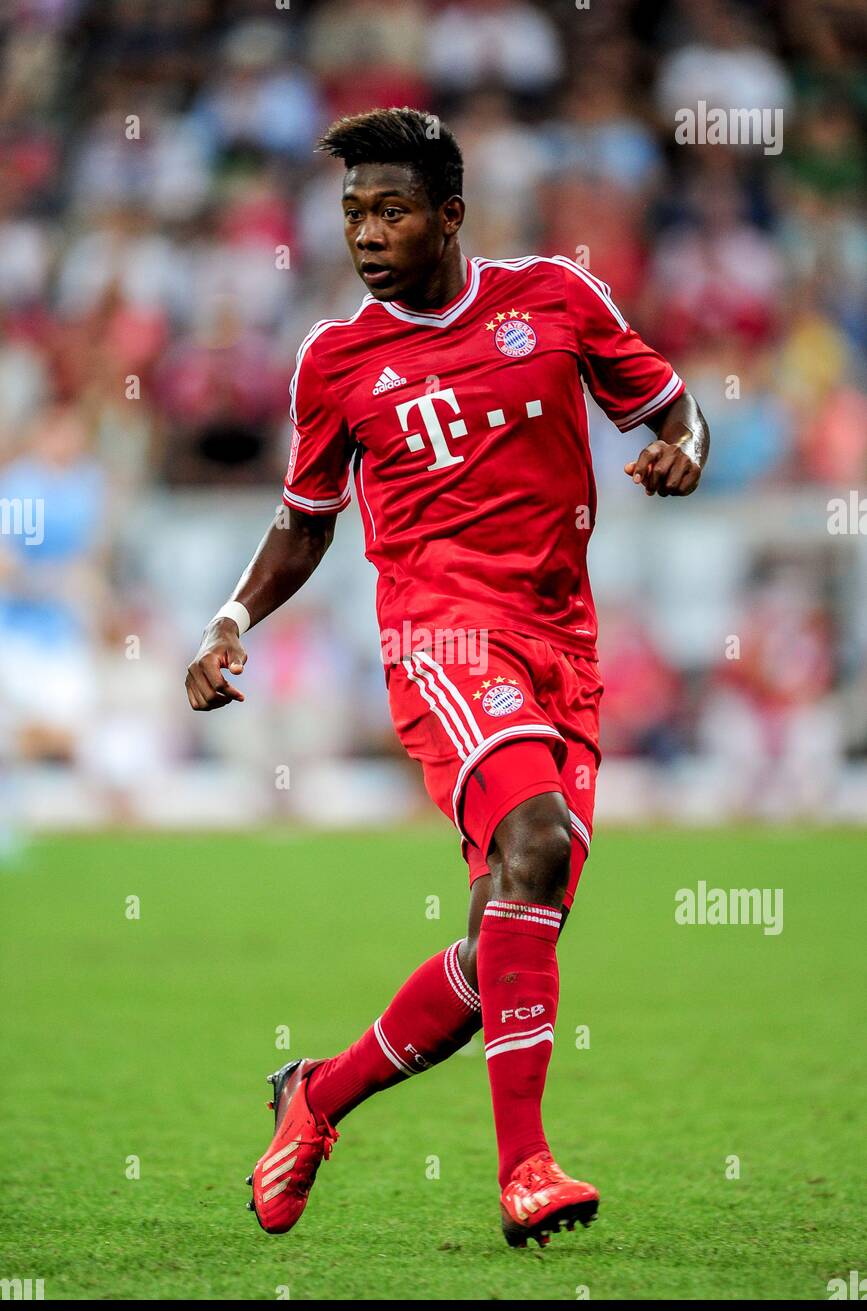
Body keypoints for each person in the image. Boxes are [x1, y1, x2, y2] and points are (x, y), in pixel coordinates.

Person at [185, 107, 709, 1248]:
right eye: (353, 215)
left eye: (392, 210)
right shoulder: (335, 362)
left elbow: (675, 409)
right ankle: (527, 1171)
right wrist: (230, 621)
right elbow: (305, 523)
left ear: (451, 214)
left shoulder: (557, 303)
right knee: (536, 840)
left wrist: (682, 449)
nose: (367, 235)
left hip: (563, 643)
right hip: (441, 635)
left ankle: (313, 1099)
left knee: (502, 939)